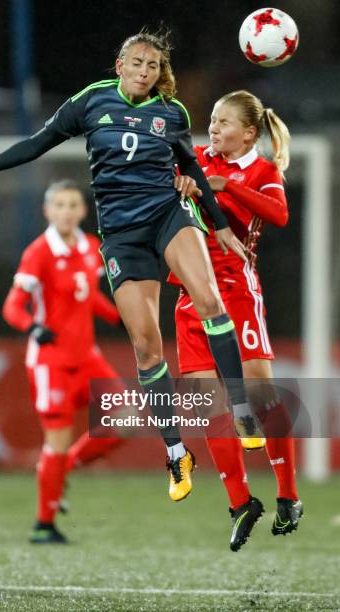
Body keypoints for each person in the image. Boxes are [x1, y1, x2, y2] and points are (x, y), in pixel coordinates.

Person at [0, 30, 260, 503]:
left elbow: (192, 171)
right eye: (137, 62)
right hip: (121, 235)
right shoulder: (91, 102)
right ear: (120, 64)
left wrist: (219, 227)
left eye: (152, 66)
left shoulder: (171, 113)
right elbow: (36, 143)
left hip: (167, 216)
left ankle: (242, 408)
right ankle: (176, 453)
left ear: (159, 74)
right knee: (147, 348)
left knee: (210, 299)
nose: (144, 71)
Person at [171, 90, 303, 551]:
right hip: (191, 295)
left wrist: (226, 187)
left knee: (262, 396)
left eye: (224, 122)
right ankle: (240, 502)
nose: (213, 128)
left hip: (235, 295)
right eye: (211, 119)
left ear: (249, 132)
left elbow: (280, 215)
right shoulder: (194, 159)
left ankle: (288, 494)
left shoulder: (262, 172)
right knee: (208, 405)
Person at [2, 179, 123, 543]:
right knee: (56, 440)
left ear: (83, 211)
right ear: (47, 211)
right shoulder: (38, 252)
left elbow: (90, 297)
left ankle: (64, 467)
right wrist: (32, 327)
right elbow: (11, 306)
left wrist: (124, 317)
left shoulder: (90, 246)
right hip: (51, 361)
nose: (66, 212)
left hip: (87, 357)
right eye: (59, 206)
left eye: (73, 205)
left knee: (128, 418)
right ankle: (44, 525)